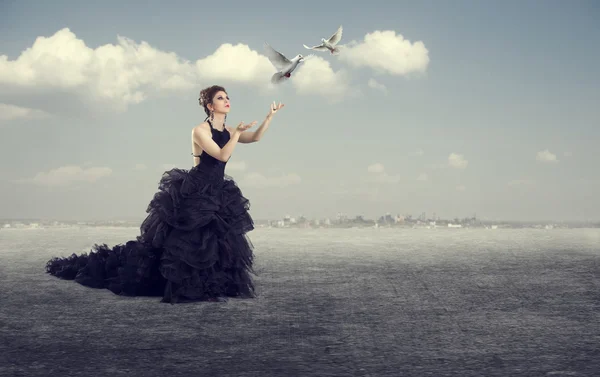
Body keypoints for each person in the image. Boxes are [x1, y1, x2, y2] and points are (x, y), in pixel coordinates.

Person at [45, 85, 285, 304]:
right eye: (221, 98)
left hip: (218, 190)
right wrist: (235, 135)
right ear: (210, 106)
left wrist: (269, 117)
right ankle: (182, 284)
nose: (227, 101)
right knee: (188, 241)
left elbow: (255, 137)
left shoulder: (229, 130)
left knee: (217, 241)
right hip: (196, 188)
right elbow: (221, 155)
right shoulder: (200, 130)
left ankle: (212, 284)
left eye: (227, 97)